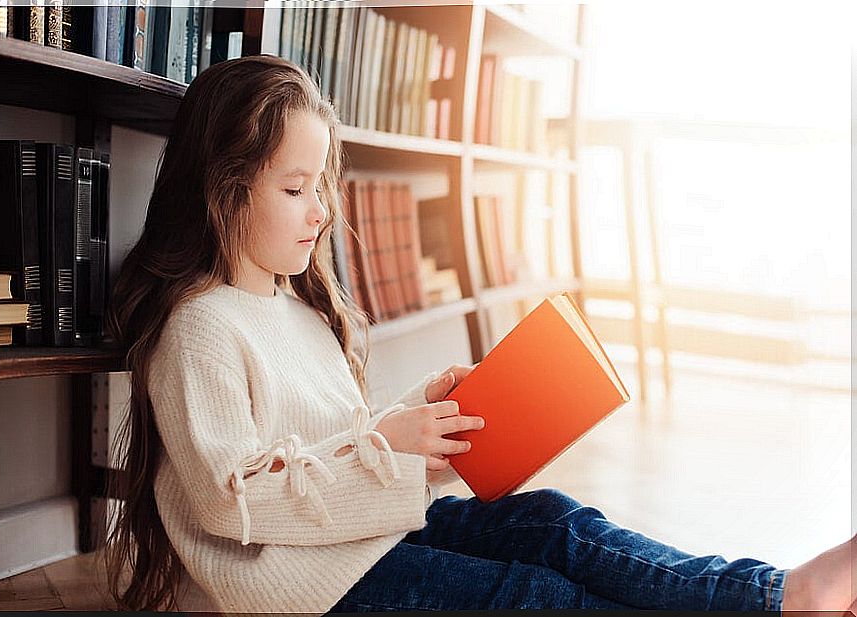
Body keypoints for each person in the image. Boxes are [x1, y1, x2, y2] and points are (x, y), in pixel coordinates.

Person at [99, 54, 855, 615]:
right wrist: (392, 446)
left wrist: (415, 423)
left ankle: (780, 593)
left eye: (319, 189)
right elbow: (234, 502)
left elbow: (329, 446)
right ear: (220, 188)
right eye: (295, 191)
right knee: (531, 594)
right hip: (306, 586)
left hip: (360, 541)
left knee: (556, 522)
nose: (320, 212)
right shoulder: (199, 329)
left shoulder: (296, 310)